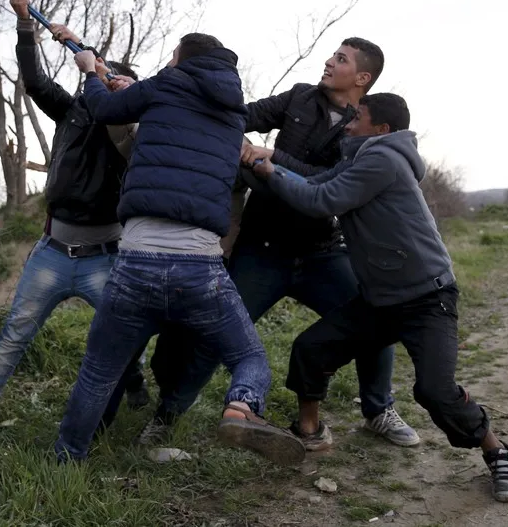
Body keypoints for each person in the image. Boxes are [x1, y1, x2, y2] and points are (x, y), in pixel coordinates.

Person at [248, 92, 508, 503]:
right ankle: (310, 432)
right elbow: (311, 184)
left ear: (381, 129)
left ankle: (499, 453)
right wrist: (261, 165)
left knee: (435, 391)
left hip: (427, 298)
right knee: (312, 348)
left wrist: (267, 167)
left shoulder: (382, 160)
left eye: (357, 117)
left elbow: (320, 201)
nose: (348, 122)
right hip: (381, 299)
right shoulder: (359, 161)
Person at [145, 38, 419, 450]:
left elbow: (324, 182)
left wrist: (270, 157)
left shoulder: (365, 127)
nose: (328, 61)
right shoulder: (298, 97)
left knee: (375, 319)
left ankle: (378, 409)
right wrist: (211, 122)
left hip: (322, 252)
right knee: (215, 336)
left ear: (361, 77)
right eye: (332, 54)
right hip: (263, 249)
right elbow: (242, 115)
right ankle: (166, 417)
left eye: (340, 59)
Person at [53, 33, 305, 466]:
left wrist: (91, 73)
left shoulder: (166, 85)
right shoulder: (234, 116)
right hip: (201, 266)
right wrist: (131, 90)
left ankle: (66, 460)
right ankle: (241, 407)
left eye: (172, 57)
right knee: (248, 358)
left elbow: (104, 110)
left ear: (183, 60)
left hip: (136, 260)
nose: (168, 64)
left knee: (98, 372)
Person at [0, 0, 150, 424]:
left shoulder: (132, 132)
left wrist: (89, 55)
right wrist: (26, 23)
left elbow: (113, 96)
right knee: (15, 334)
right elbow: (33, 79)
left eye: (113, 81)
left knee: (120, 337)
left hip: (104, 257)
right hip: (52, 251)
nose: (101, 84)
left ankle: (135, 382)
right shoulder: (71, 112)